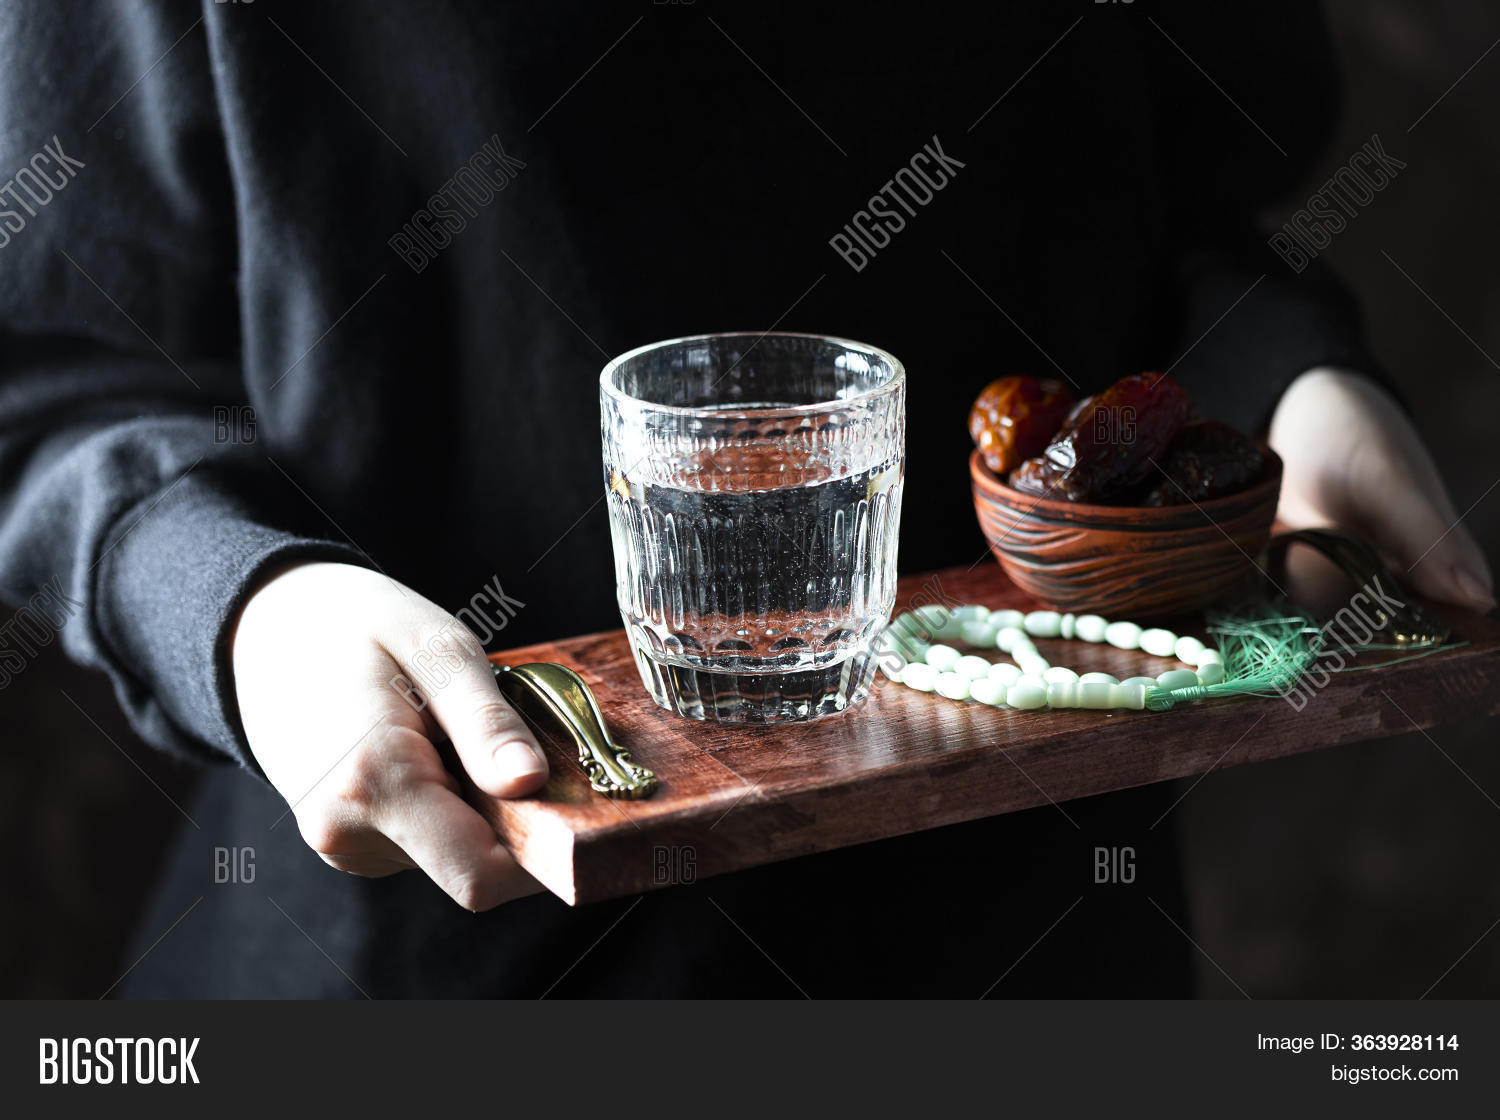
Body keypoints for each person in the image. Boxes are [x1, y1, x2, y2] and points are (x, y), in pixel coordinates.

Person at [0, 1, 1489, 997]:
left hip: (1023, 936)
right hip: (432, 950)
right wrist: (247, 604)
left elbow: (1194, 198)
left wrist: (1282, 380)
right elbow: (51, 362)